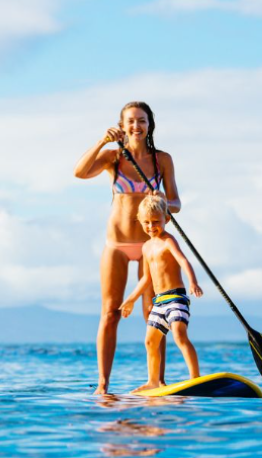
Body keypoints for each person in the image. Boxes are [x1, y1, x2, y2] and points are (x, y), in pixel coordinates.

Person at [73, 101, 181, 394]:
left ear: (150, 125)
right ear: (122, 126)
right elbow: (79, 173)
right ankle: (103, 385)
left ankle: (156, 381)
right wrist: (101, 142)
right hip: (117, 245)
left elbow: (177, 204)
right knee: (110, 312)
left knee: (154, 313)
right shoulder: (113, 157)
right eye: (131, 121)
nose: (137, 126)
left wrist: (162, 202)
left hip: (151, 246)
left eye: (142, 121)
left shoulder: (163, 160)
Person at [120, 194, 203, 392]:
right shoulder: (146, 246)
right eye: (146, 222)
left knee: (179, 334)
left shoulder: (168, 241)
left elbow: (183, 261)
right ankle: (153, 381)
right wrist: (130, 300)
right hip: (159, 302)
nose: (151, 226)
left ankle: (195, 378)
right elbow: (146, 279)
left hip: (175, 297)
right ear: (140, 221)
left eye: (156, 221)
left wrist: (192, 282)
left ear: (167, 219)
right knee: (150, 341)